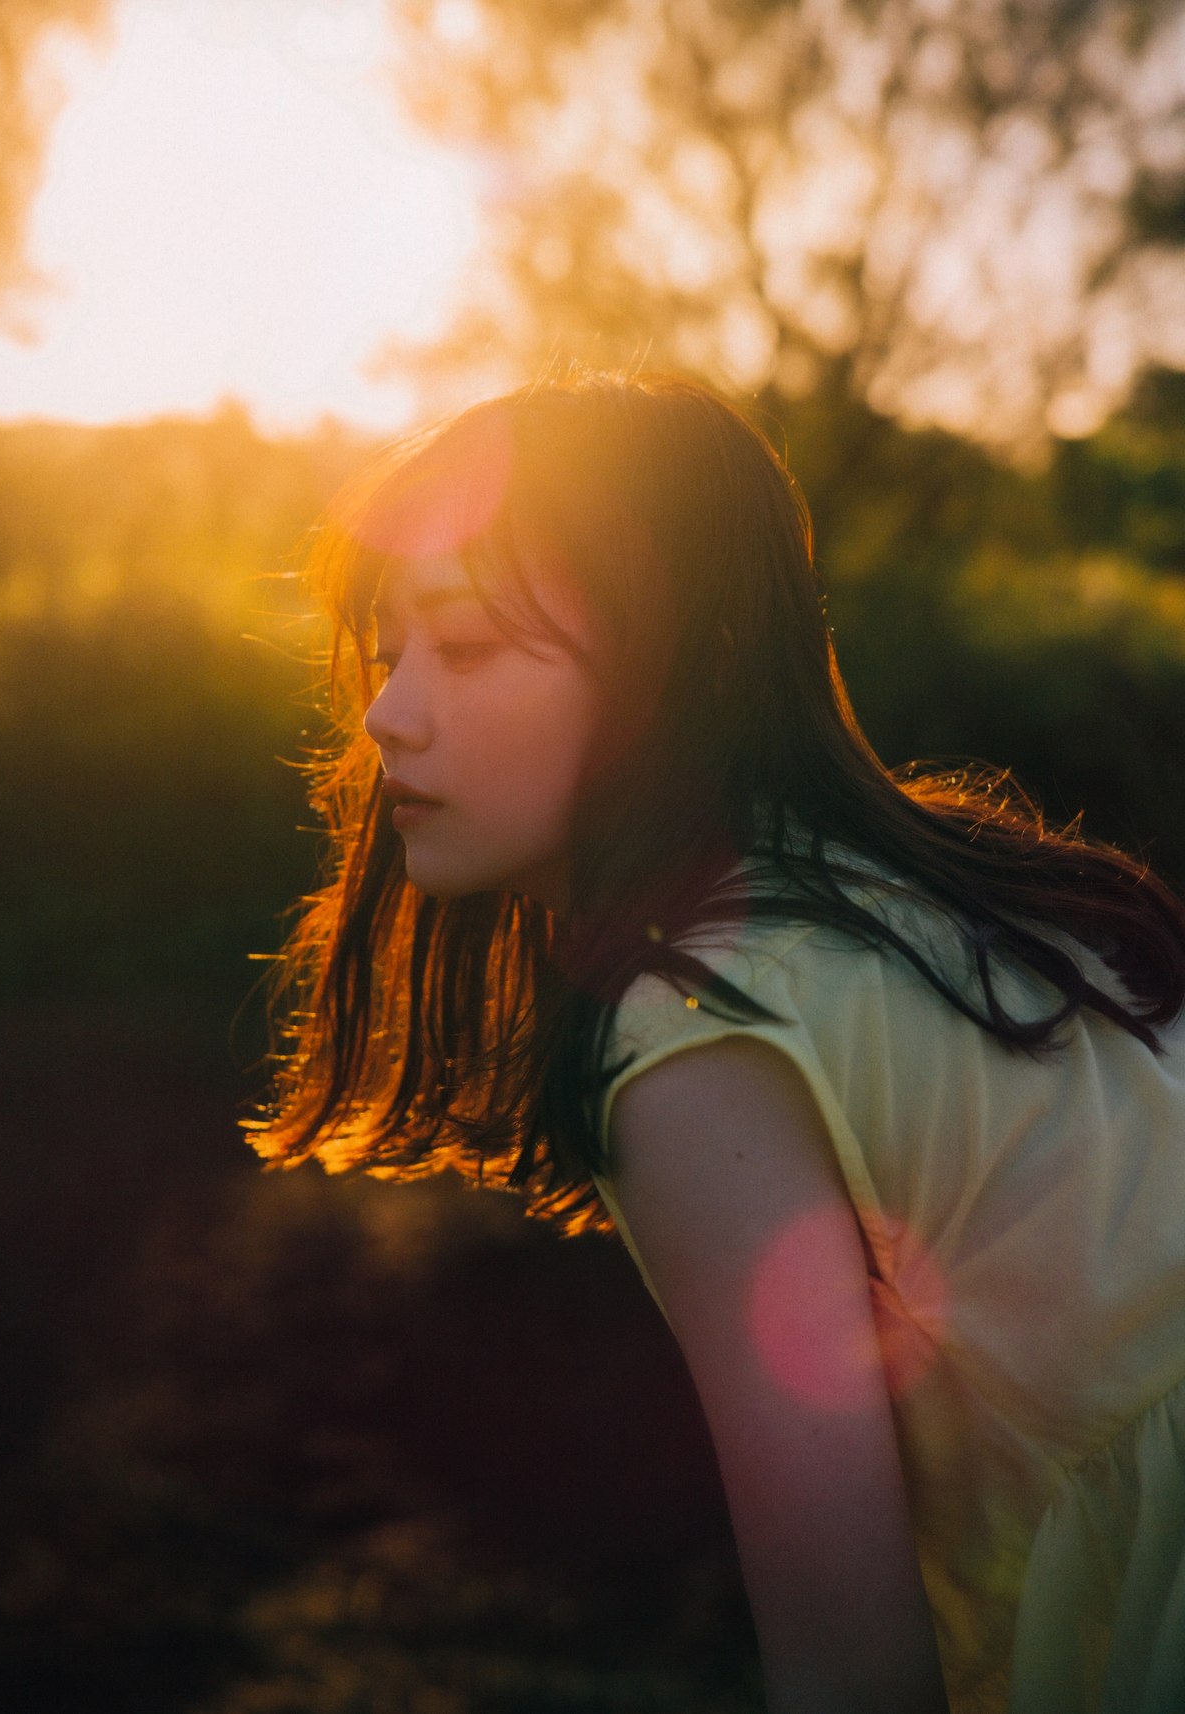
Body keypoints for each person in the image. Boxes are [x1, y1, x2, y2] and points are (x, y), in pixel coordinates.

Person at [247, 370, 1185, 1713]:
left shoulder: (700, 1035)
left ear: (662, 675)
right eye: (387, 648)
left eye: (462, 647)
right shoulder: (921, 892)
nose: (388, 710)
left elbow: (853, 1666)